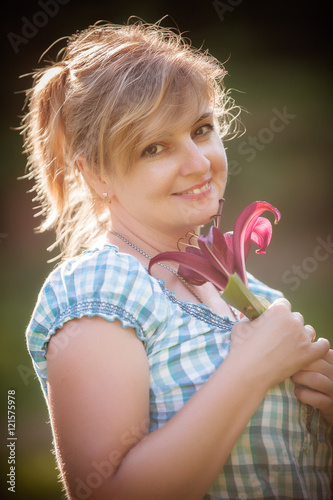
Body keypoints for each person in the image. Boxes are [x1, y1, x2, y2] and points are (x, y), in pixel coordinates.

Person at [23, 20, 333, 499]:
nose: (198, 162)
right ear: (95, 173)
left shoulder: (258, 297)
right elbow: (109, 493)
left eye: (201, 130)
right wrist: (252, 368)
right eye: (154, 147)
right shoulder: (101, 288)